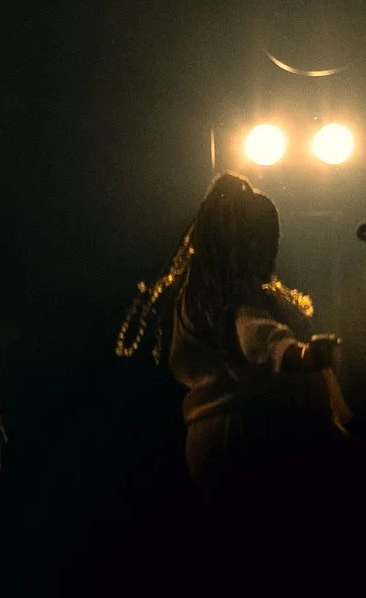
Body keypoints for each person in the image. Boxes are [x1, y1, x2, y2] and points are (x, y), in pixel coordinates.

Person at [117, 173, 346, 487]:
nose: (273, 246)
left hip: (224, 438)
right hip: (246, 438)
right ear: (244, 238)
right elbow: (254, 332)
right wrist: (299, 353)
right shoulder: (230, 295)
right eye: (266, 237)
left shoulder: (206, 293)